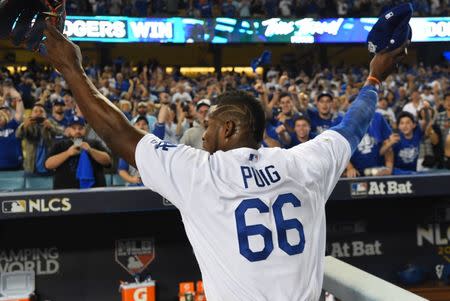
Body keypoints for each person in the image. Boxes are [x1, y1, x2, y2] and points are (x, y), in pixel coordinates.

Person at [40, 19, 407, 300]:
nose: (203, 133)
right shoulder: (303, 163)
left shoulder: (202, 173)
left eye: (208, 124)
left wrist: (72, 69)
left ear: (230, 129)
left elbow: (118, 133)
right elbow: (353, 124)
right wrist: (374, 77)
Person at [45, 116, 111, 189]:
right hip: (66, 193)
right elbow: (48, 164)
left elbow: (107, 161)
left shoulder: (95, 143)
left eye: (80, 128)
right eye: (74, 128)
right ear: (68, 130)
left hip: (94, 192)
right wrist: (67, 153)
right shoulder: (60, 145)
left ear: (85, 129)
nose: (77, 131)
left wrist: (90, 150)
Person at [16, 103, 63, 175]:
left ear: (45, 114)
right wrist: (24, 127)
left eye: (41, 111)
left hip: (48, 166)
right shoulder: (27, 123)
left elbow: (61, 132)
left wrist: (51, 127)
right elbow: (18, 135)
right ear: (31, 114)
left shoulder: (50, 122)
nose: (38, 113)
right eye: (35, 111)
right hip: (31, 167)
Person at [0, 100, 24, 171]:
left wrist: (18, 98)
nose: (2, 115)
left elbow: (19, 113)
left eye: (5, 112)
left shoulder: (14, 124)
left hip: (16, 165)